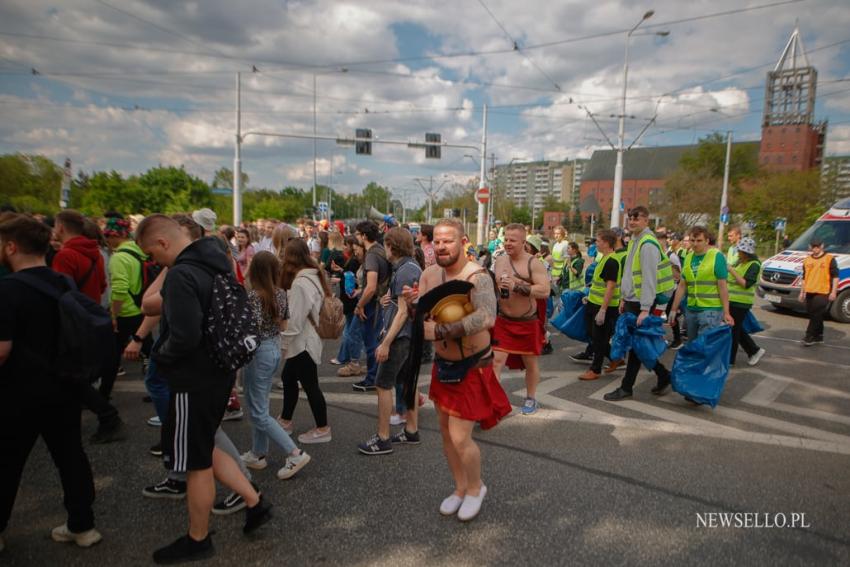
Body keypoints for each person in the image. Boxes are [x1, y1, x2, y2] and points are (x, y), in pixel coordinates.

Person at [136, 215, 271, 564]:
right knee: (204, 444)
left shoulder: (182, 274)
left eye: (151, 253)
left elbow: (184, 336)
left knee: (194, 461)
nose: (153, 262)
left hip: (192, 377)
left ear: (164, 243)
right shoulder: (218, 262)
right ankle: (254, 501)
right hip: (219, 370)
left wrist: (160, 359)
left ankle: (198, 538)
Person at [0, 214, 102, 550]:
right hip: (65, 384)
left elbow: (3, 349)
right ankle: (82, 525)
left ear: (11, 247)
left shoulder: (8, 289)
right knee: (70, 455)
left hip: (20, 391)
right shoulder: (62, 283)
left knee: (9, 460)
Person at [403, 218, 510, 521]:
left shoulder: (477, 276)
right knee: (446, 436)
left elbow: (487, 317)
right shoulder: (428, 275)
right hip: (443, 366)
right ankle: (460, 488)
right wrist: (413, 305)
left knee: (461, 437)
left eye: (448, 240)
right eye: (436, 241)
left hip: (473, 365)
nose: (441, 246)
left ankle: (476, 488)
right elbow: (423, 315)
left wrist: (441, 332)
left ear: (462, 242)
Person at [240, 251, 312, 478]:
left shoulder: (252, 297)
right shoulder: (281, 294)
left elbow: (249, 330)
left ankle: (294, 453)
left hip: (257, 351)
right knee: (259, 404)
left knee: (258, 410)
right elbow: (283, 326)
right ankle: (257, 453)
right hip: (272, 348)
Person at [358, 227, 423, 455]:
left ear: (391, 246)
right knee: (407, 382)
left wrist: (385, 342)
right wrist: (391, 299)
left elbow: (404, 312)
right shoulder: (410, 266)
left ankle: (383, 437)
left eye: (385, 245)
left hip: (400, 336)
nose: (383, 248)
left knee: (383, 384)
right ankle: (411, 430)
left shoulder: (404, 270)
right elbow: (405, 303)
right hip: (409, 336)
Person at [604, 206, 676, 402]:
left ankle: (627, 387)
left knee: (636, 348)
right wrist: (623, 298)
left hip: (641, 304)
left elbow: (649, 280)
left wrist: (645, 309)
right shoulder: (635, 240)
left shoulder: (648, 244)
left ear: (647, 221)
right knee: (638, 347)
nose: (632, 221)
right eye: (630, 218)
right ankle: (663, 376)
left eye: (637, 218)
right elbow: (629, 274)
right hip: (632, 301)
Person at [278, 239, 333, 444]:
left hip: (303, 342)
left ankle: (322, 428)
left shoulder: (301, 283)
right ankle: (285, 420)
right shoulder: (313, 275)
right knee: (289, 378)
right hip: (307, 339)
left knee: (310, 386)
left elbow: (295, 321)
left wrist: (282, 345)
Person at [491, 224, 550, 415]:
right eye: (506, 239)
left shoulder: (533, 263)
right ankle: (494, 402)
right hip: (503, 319)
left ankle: (531, 398)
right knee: (496, 361)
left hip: (526, 321)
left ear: (523, 242)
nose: (507, 243)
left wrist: (518, 286)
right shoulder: (499, 261)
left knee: (530, 363)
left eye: (512, 240)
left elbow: (544, 290)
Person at [102, 216, 151, 399]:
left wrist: (114, 314)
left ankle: (104, 393)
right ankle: (158, 387)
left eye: (108, 235)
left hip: (126, 312)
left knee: (113, 355)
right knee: (151, 351)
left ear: (114, 236)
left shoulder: (119, 258)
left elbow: (120, 289)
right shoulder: (139, 252)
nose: (106, 240)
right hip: (142, 308)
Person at [668, 226, 735, 343]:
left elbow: (722, 287)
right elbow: (682, 286)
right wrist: (674, 309)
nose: (695, 244)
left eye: (699, 241)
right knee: (693, 344)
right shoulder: (688, 258)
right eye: (692, 240)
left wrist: (726, 312)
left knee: (704, 346)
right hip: (692, 309)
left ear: (707, 241)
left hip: (710, 310)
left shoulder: (716, 257)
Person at [351, 221, 390, 392]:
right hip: (379, 302)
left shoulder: (372, 255)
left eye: (358, 234)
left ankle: (373, 378)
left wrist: (360, 304)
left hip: (373, 303)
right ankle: (376, 376)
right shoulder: (380, 250)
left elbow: (371, 286)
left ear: (364, 236)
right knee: (375, 341)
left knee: (372, 342)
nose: (356, 237)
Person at [578, 230, 621, 381]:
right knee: (593, 334)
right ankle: (615, 358)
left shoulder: (611, 261)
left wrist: (603, 310)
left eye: (598, 241)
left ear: (607, 243)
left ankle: (595, 369)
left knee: (599, 338)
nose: (596, 243)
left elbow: (610, 287)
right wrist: (589, 297)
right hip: (594, 303)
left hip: (604, 307)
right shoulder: (604, 258)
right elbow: (599, 284)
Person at [726, 237, 766, 366]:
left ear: (748, 252)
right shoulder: (740, 262)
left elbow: (745, 283)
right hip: (731, 300)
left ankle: (731, 360)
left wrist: (731, 270)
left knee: (734, 331)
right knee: (735, 329)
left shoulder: (754, 265)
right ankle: (754, 350)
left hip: (741, 302)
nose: (739, 253)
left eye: (741, 251)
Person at [332, 237, 365, 374]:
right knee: (351, 330)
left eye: (347, 245)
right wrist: (341, 272)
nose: (344, 247)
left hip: (352, 300)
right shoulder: (354, 261)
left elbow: (353, 281)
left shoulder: (354, 261)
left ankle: (349, 359)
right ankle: (345, 357)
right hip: (352, 299)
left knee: (351, 332)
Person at [798, 237, 839, 346]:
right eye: (813, 246)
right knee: (814, 314)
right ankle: (819, 336)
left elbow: (835, 277)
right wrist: (802, 292)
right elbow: (804, 277)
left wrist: (833, 292)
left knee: (816, 312)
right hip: (810, 291)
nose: (815, 249)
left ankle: (809, 336)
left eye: (817, 246)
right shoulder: (807, 260)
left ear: (822, 246)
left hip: (823, 291)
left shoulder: (829, 259)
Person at [656, 230, 684, 350]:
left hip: (671, 289)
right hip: (661, 289)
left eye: (659, 241)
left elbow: (679, 273)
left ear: (664, 241)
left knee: (666, 314)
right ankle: (669, 339)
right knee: (665, 314)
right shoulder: (658, 254)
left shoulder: (671, 255)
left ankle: (676, 340)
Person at [550, 226, 569, 291]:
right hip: (553, 274)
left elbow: (567, 261)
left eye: (558, 234)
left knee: (557, 296)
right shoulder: (555, 244)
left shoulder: (565, 244)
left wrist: (561, 276)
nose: (556, 236)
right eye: (555, 233)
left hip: (559, 276)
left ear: (563, 234)